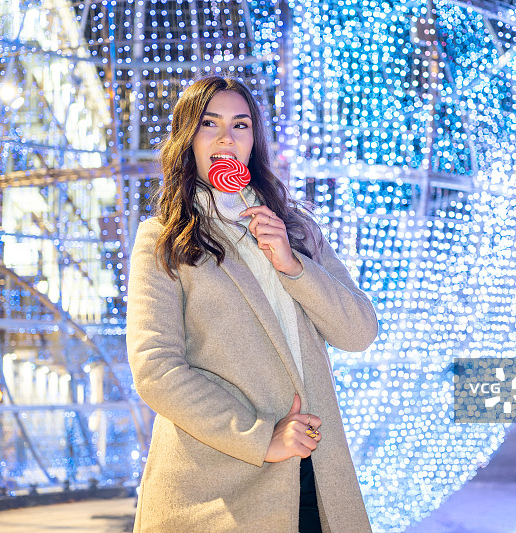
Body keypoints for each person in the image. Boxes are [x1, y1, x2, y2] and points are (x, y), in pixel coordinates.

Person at [126, 75, 378, 532]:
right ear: (189, 139)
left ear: (254, 141)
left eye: (241, 125)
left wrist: (291, 264)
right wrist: (260, 437)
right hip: (219, 486)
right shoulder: (163, 238)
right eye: (210, 124)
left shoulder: (295, 228)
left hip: (316, 478)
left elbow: (358, 332)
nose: (227, 137)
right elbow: (155, 370)